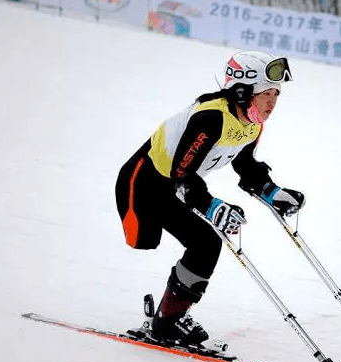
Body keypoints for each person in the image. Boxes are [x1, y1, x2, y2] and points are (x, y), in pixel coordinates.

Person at [115, 51, 305, 345]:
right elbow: (182, 173)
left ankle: (168, 320)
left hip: (173, 186)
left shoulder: (251, 123)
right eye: (266, 93)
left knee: (206, 243)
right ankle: (167, 319)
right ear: (243, 91)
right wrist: (212, 206)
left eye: (277, 94)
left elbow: (245, 166)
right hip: (143, 183)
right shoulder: (211, 118)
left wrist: (273, 192)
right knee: (146, 240)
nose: (273, 102)